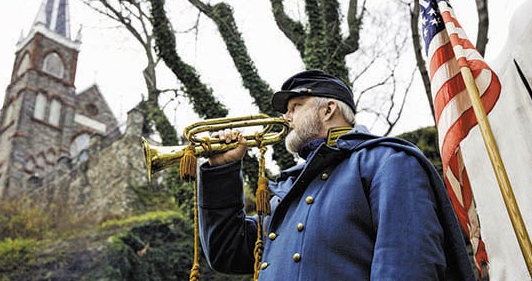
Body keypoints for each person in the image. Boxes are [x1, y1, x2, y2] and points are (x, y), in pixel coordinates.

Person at [197, 69, 475, 280]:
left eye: (295, 107)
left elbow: (407, 265)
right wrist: (222, 169)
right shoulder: (288, 188)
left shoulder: (387, 161)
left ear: (328, 109)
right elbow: (226, 252)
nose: (286, 118)